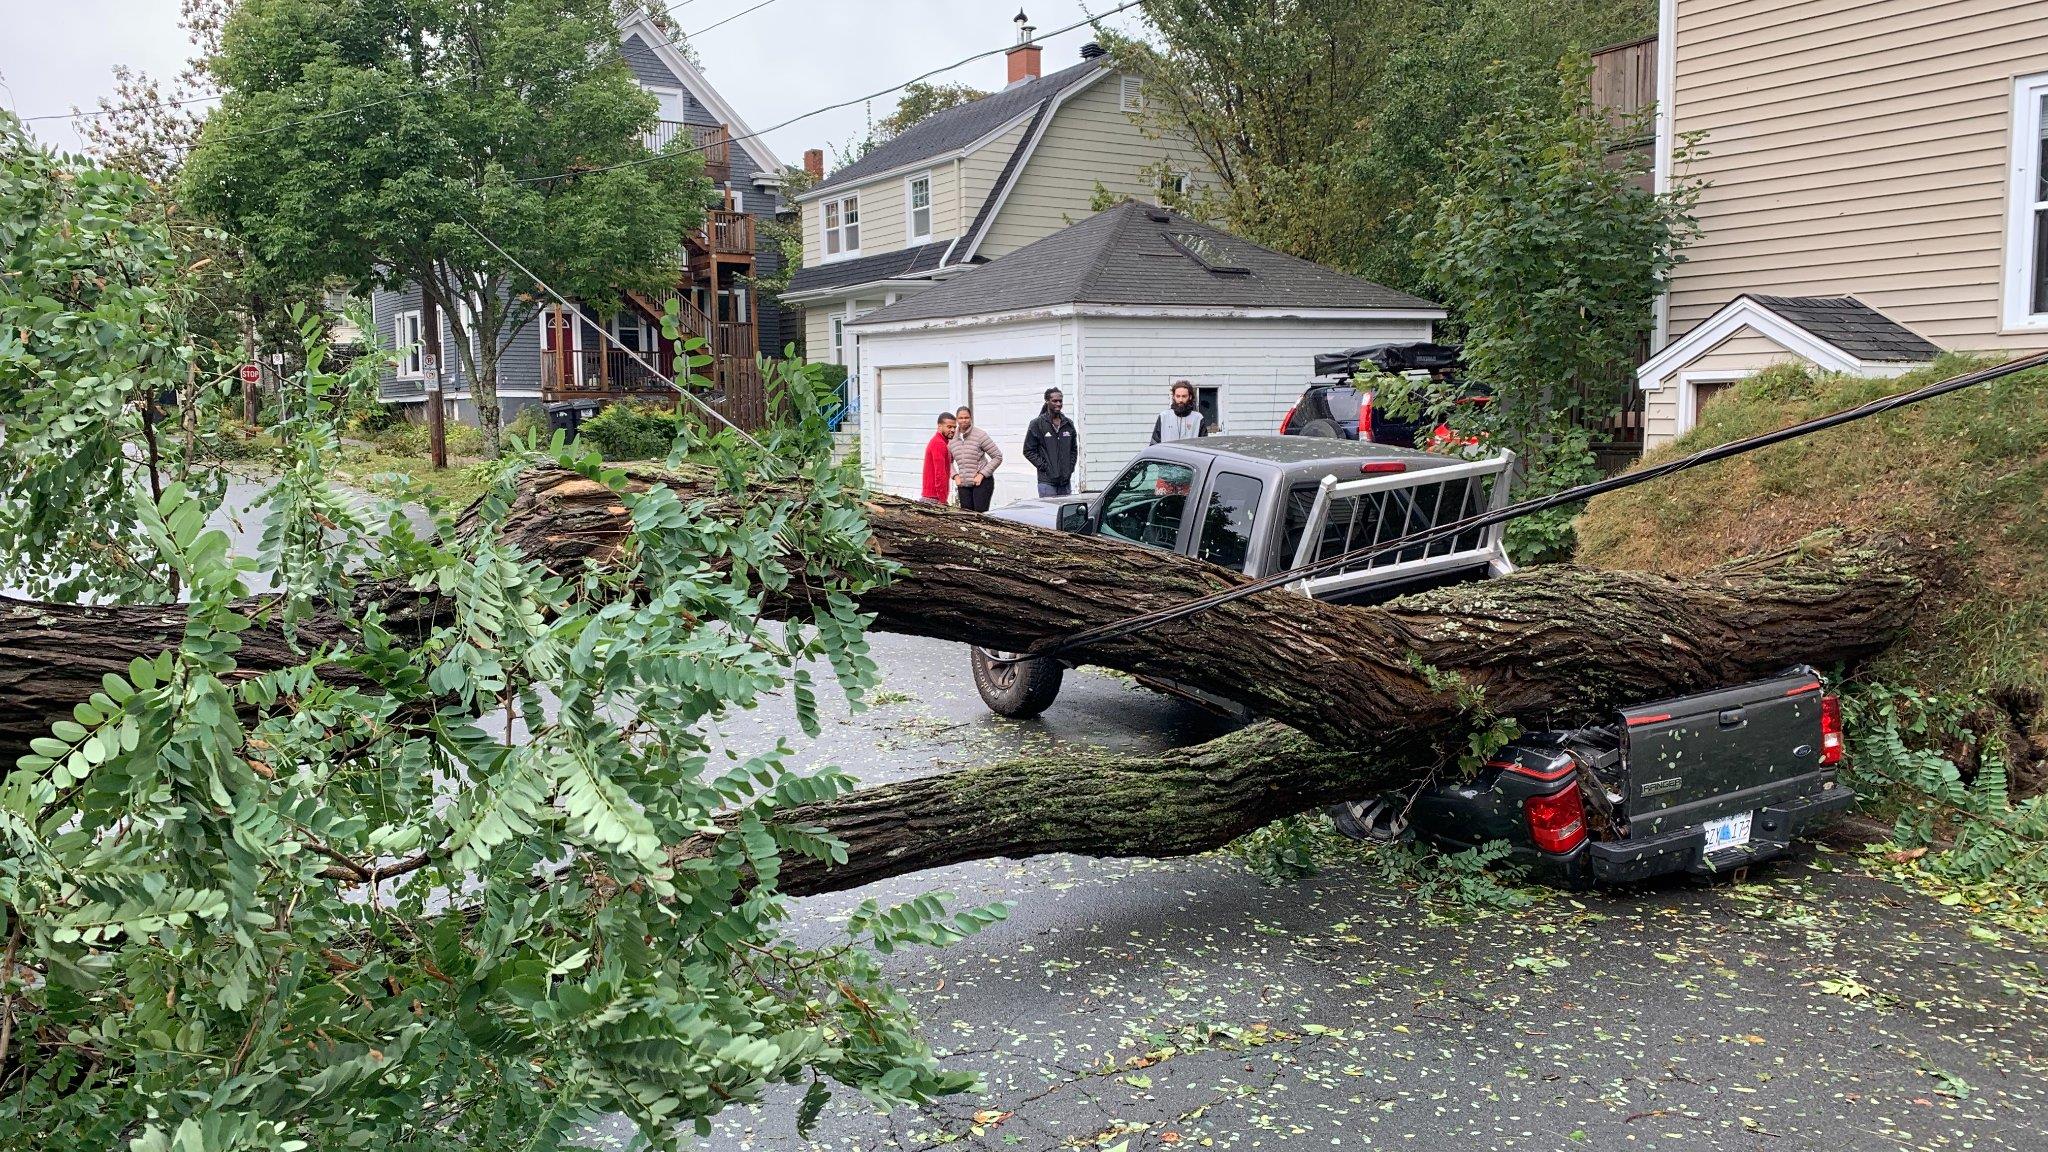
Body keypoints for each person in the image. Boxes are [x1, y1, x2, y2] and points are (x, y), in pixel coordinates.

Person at [1021, 387, 1079, 497]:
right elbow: (1028, 450)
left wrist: (1069, 468)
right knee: (1050, 513)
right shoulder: (1037, 424)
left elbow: (1073, 450)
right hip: (1047, 483)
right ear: (1047, 401)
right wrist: (1045, 467)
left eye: (1060, 401)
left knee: (1065, 513)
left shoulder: (1068, 424)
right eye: (1054, 401)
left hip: (1065, 483)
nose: (1058, 404)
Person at [949, 404, 1002, 512]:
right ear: (957, 420)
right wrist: (955, 476)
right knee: (966, 517)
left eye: (966, 417)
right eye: (961, 418)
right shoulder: (952, 439)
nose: (964, 420)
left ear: (971, 418)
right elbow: (947, 461)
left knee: (980, 516)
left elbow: (997, 456)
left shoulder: (980, 435)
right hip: (963, 484)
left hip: (982, 483)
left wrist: (982, 474)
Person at [1150, 380, 1214, 444]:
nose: (1180, 400)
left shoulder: (1198, 418)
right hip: (1167, 454)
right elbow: (1154, 443)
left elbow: (1203, 445)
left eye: (1184, 396)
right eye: (1178, 396)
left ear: (1190, 397)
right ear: (1173, 397)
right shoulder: (1164, 416)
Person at [921, 411, 957, 503]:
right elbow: (939, 474)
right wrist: (942, 500)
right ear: (939, 426)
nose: (953, 430)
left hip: (933, 497)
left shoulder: (942, 443)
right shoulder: (938, 444)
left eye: (954, 427)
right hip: (933, 499)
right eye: (949, 427)